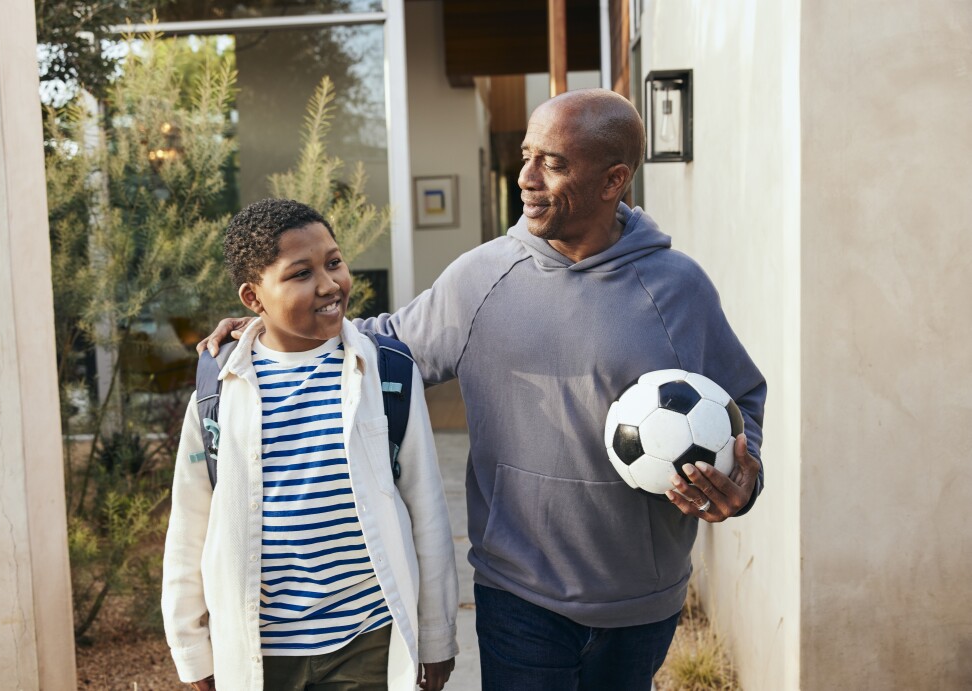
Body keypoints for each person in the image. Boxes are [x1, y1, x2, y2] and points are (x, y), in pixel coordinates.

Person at [201, 90, 766, 690]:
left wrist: (743, 480)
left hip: (642, 600)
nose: (524, 178)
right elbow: (386, 342)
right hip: (518, 594)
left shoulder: (678, 289)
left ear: (613, 180)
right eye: (526, 154)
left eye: (552, 163)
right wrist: (270, 329)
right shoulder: (483, 277)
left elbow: (739, 400)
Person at [163, 198, 459, 691]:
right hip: (261, 648)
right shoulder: (220, 387)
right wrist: (193, 649)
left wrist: (435, 637)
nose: (328, 284)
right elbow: (190, 525)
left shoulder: (384, 373)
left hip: (367, 640)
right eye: (300, 273)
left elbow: (426, 510)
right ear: (254, 298)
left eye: (334, 262)